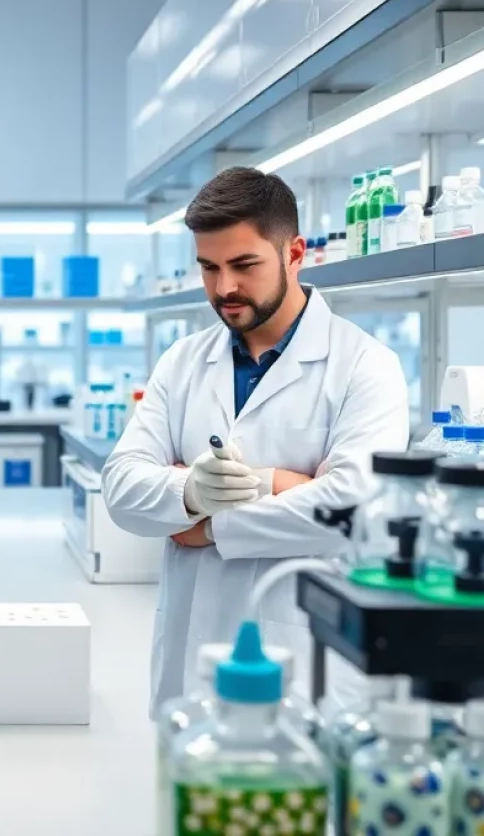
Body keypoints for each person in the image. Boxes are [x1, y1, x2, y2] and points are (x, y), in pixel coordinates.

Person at [102, 167, 408, 714]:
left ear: (294, 254)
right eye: (209, 268)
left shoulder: (365, 364)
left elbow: (355, 508)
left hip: (301, 665)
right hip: (189, 665)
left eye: (244, 265)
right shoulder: (183, 362)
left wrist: (208, 524)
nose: (224, 288)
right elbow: (122, 487)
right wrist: (193, 493)